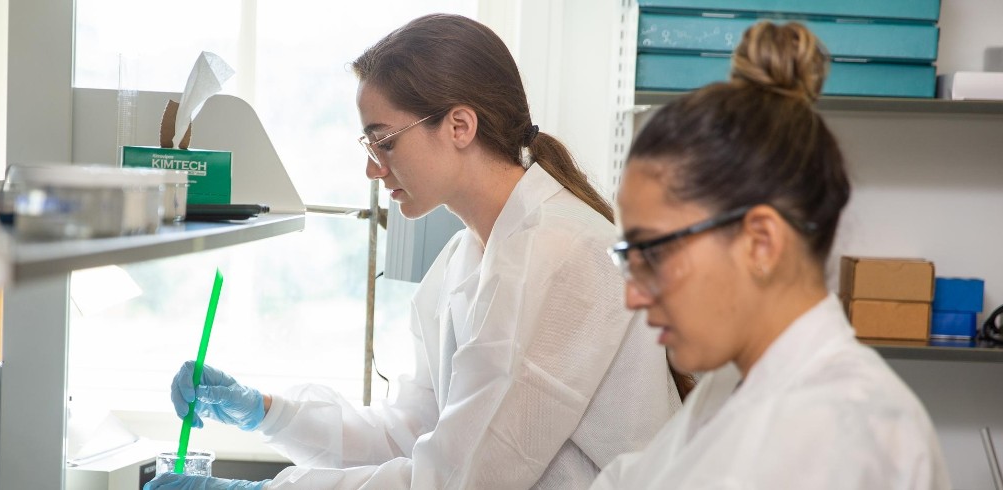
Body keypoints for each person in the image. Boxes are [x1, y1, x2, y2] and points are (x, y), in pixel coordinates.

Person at [148, 13, 682, 490]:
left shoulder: (560, 254)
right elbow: (413, 433)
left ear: (459, 125)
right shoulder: (462, 259)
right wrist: (265, 413)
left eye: (384, 141)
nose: (372, 168)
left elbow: (458, 479)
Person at [591, 21, 950, 489]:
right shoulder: (736, 385)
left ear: (760, 242)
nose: (634, 297)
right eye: (631, 257)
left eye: (653, 254)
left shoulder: (848, 434)